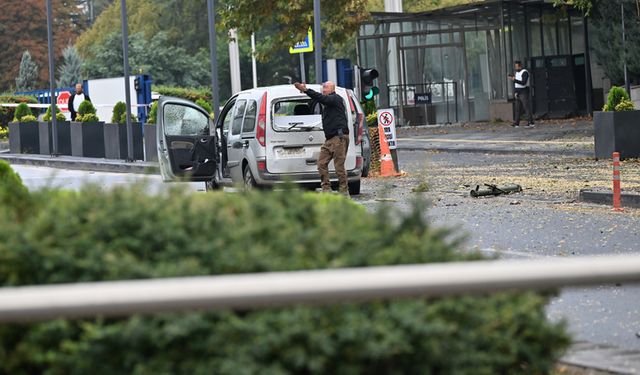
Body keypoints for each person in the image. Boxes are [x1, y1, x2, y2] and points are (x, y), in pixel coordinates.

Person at [294, 81, 350, 195]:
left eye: (326, 87)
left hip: (338, 137)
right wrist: (305, 91)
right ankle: (326, 189)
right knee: (321, 163)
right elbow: (318, 98)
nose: (323, 89)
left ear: (332, 89)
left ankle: (344, 191)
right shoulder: (328, 101)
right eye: (323, 88)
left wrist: (306, 90)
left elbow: (321, 98)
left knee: (339, 166)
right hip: (330, 139)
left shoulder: (335, 98)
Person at [508, 61, 534, 128]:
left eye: (517, 66)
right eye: (515, 66)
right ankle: (516, 123)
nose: (516, 68)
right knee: (517, 108)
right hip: (518, 91)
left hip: (524, 91)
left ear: (520, 66)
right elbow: (516, 84)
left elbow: (523, 83)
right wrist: (516, 92)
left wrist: (514, 80)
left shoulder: (524, 72)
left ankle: (531, 122)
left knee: (526, 107)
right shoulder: (517, 73)